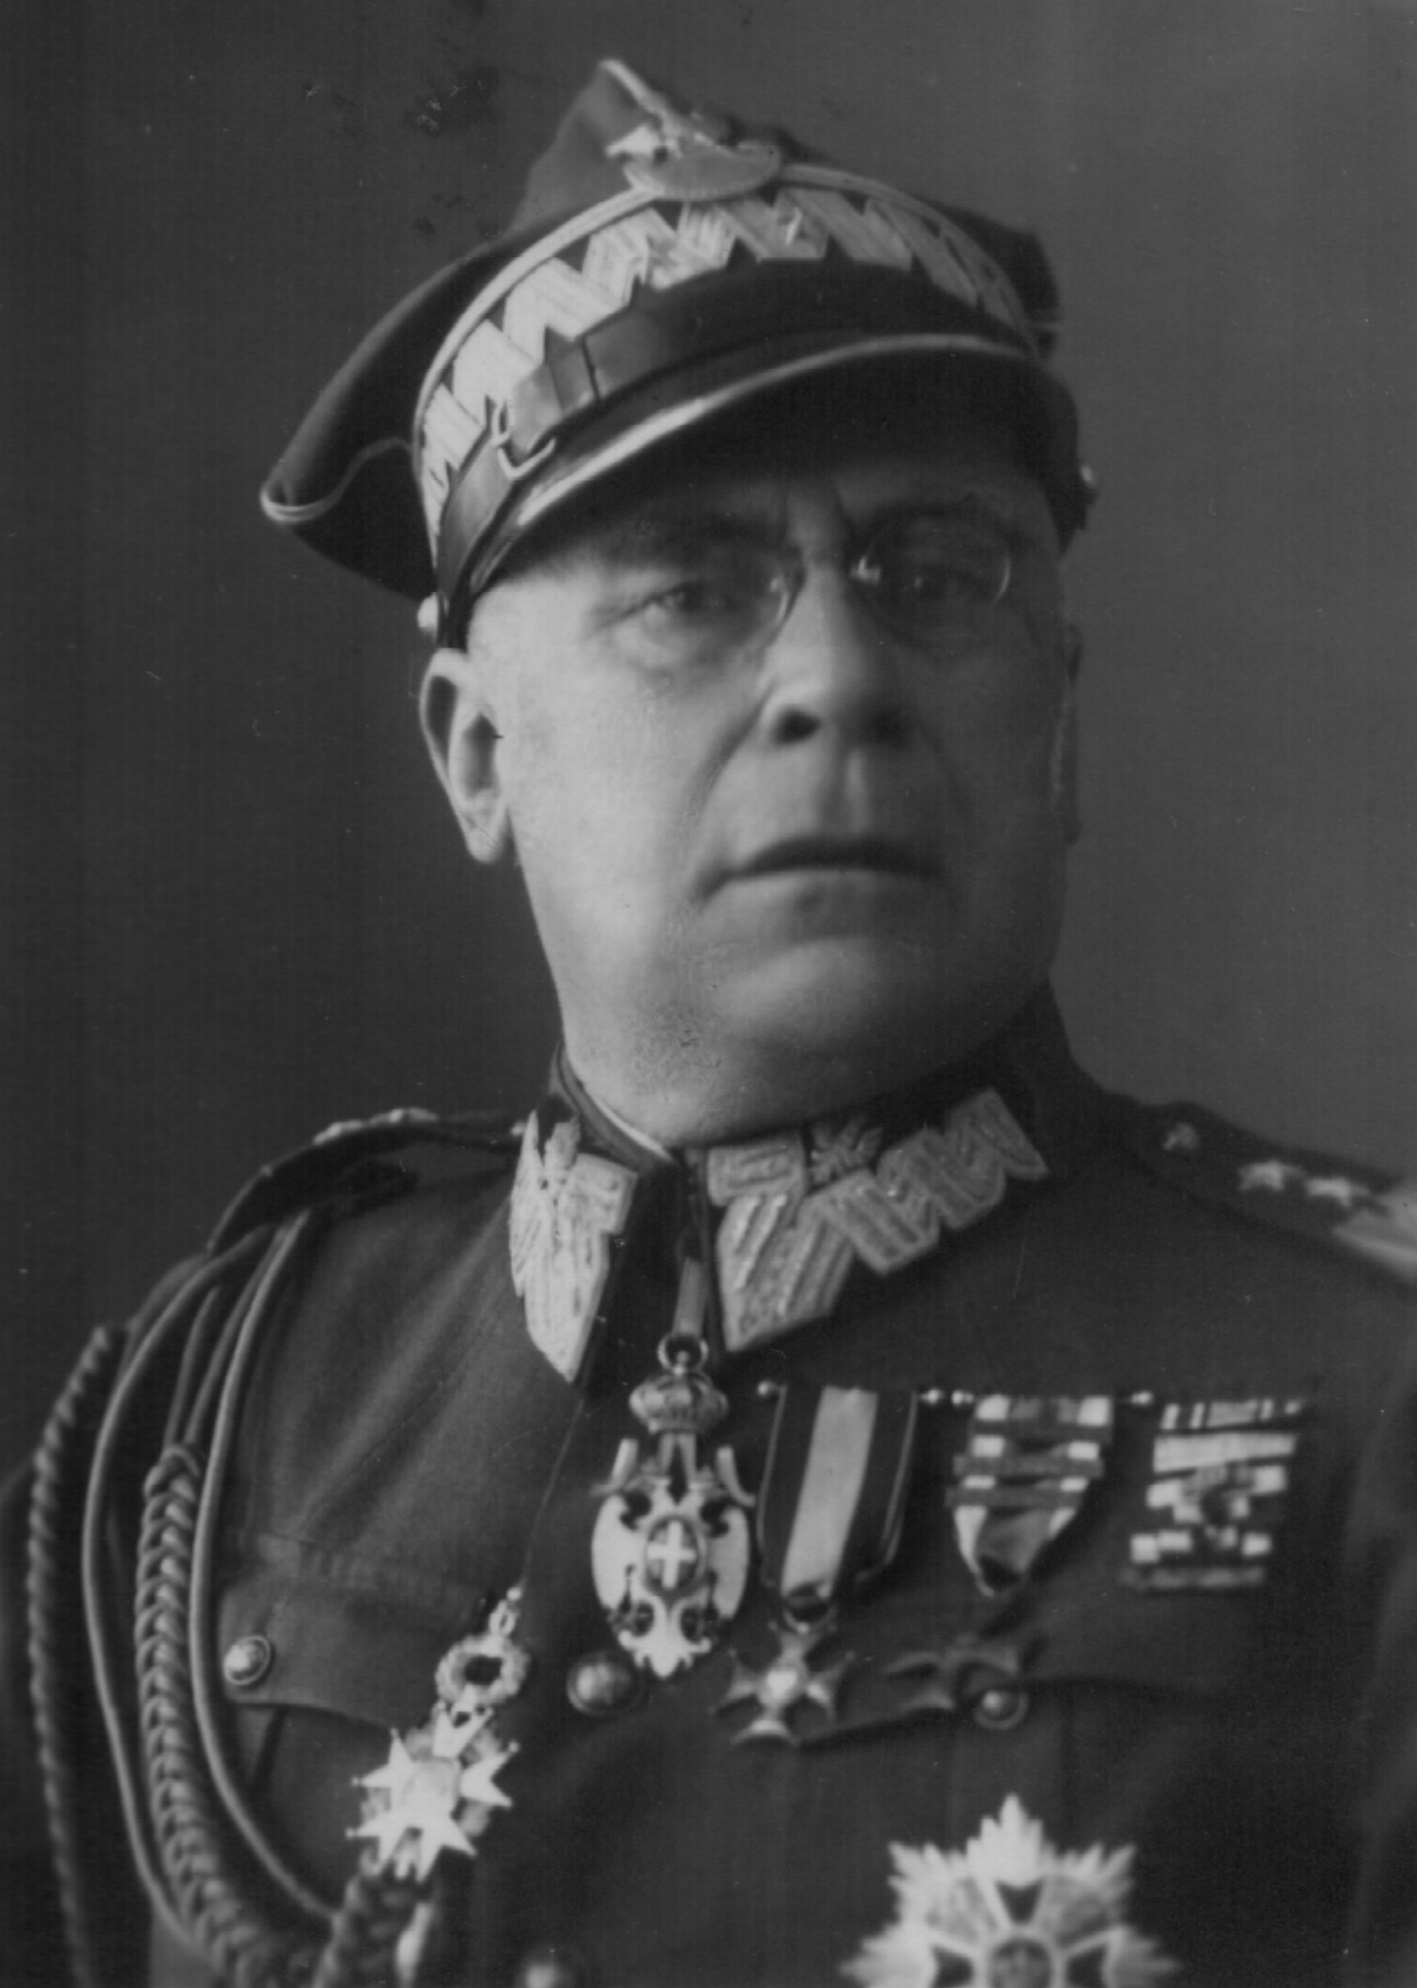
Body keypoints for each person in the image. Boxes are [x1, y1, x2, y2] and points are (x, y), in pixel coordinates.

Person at [5, 56, 1417, 1988]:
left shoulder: (1372, 1392)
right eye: (693, 591)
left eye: (936, 575)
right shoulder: (227, 1395)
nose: (838, 676)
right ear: (477, 755)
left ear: (1060, 720)